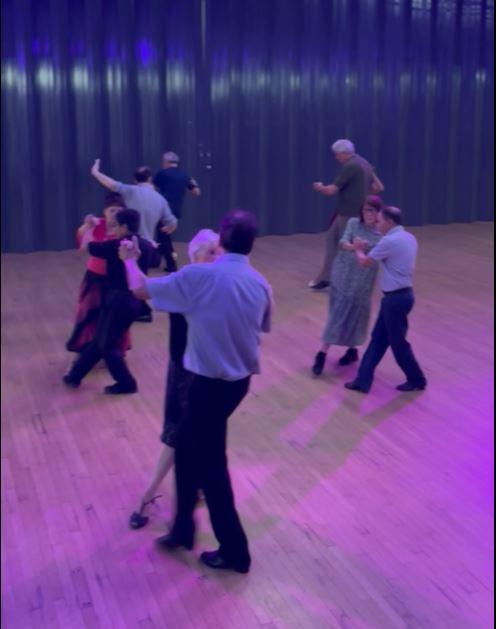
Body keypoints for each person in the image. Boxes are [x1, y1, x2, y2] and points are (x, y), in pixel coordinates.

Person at [120, 210, 272, 574]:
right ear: (252, 243)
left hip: (207, 387)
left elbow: (140, 289)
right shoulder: (260, 283)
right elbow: (263, 326)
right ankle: (183, 530)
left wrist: (129, 260)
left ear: (222, 239)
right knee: (187, 450)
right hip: (238, 384)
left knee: (212, 469)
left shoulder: (200, 276)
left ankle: (235, 553)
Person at [129, 229, 221, 530]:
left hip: (208, 372)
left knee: (198, 434)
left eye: (220, 251)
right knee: (176, 435)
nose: (218, 257)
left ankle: (192, 486)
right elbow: (140, 289)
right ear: (194, 257)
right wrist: (130, 261)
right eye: (211, 252)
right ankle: (148, 495)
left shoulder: (220, 282)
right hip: (185, 372)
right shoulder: (185, 282)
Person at [62, 209, 155, 395]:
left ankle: (127, 383)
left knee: (106, 344)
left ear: (124, 227)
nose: (114, 229)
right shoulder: (145, 245)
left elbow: (88, 246)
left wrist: (89, 228)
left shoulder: (117, 246)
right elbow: (155, 260)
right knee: (101, 339)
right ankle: (74, 376)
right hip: (135, 301)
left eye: (117, 226)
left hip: (119, 301)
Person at [345, 206, 427, 394]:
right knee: (378, 340)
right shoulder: (409, 237)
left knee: (398, 344)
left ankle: (417, 379)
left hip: (394, 301)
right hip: (404, 296)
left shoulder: (389, 241)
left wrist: (358, 249)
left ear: (389, 222)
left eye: (379, 221)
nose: (376, 223)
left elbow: (364, 262)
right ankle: (362, 381)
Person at [90, 158, 177, 321]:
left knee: (123, 278)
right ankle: (141, 310)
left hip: (129, 243)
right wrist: (167, 228)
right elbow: (172, 223)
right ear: (150, 178)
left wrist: (95, 172)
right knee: (138, 278)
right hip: (147, 245)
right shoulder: (160, 199)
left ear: (135, 180)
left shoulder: (130, 191)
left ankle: (134, 311)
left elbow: (110, 184)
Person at [311, 195, 383, 376]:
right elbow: (342, 241)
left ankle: (347, 350)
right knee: (337, 313)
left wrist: (361, 248)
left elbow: (374, 256)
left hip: (361, 281)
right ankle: (324, 353)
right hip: (342, 275)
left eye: (373, 211)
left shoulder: (379, 235)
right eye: (366, 210)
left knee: (355, 314)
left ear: (378, 213)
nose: (369, 214)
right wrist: (354, 247)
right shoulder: (353, 223)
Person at [310, 139, 384, 290]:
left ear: (344, 153)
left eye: (337, 155)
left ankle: (334, 280)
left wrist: (320, 187)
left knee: (344, 246)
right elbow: (379, 187)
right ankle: (328, 278)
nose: (336, 158)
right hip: (352, 211)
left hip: (348, 213)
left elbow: (331, 190)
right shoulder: (364, 163)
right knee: (333, 240)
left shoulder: (350, 166)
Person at [66, 192, 130, 353]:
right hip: (94, 276)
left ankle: (112, 348)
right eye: (112, 210)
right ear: (105, 211)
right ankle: (86, 345)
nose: (115, 214)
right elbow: (82, 243)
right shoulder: (97, 224)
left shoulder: (124, 229)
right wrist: (86, 226)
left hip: (115, 279)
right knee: (88, 309)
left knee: (114, 314)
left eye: (119, 211)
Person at [152, 151, 201, 272]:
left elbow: (151, 187)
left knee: (163, 237)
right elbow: (196, 192)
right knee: (163, 236)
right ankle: (159, 258)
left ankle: (171, 264)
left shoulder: (162, 173)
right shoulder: (185, 176)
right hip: (176, 211)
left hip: (162, 209)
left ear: (166, 162)